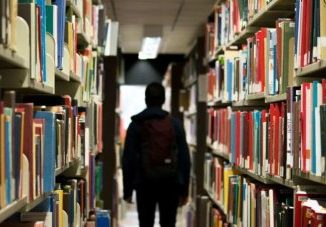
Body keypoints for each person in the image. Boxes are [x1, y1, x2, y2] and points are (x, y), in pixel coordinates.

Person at [122, 82, 191, 227]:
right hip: (170, 183)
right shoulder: (175, 124)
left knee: (146, 222)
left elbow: (128, 159)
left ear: (146, 99)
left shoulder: (136, 124)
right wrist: (184, 190)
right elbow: (184, 158)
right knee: (168, 223)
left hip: (144, 183)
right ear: (164, 100)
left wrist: (128, 189)